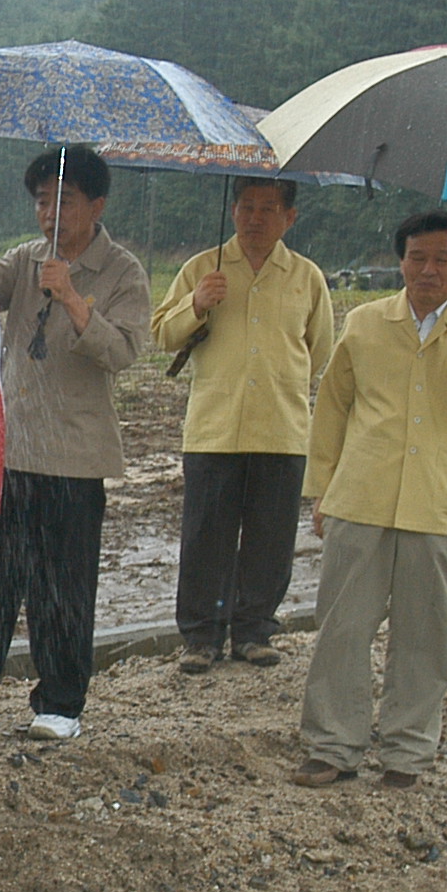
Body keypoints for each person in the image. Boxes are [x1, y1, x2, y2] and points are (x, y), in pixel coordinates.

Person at [0, 148, 151, 741]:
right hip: (11, 452)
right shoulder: (25, 259)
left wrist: (71, 298)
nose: (50, 213)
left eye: (64, 201)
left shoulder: (122, 273)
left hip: (72, 458)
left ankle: (61, 705)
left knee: (62, 591)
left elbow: (125, 352)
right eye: (42, 201)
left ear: (97, 205)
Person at [294, 211, 447, 789]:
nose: (429, 269)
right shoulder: (367, 323)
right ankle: (333, 746)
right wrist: (322, 489)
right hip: (361, 499)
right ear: (401, 262)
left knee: (426, 636)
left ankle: (407, 754)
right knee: (342, 628)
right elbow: (333, 408)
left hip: (437, 505)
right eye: (418, 257)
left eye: (444, 259)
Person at [150, 177, 337, 671]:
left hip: (281, 428)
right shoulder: (202, 269)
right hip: (215, 427)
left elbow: (319, 350)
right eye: (247, 207)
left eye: (268, 209)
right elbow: (163, 334)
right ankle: (201, 637)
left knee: (270, 538)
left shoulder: (306, 277)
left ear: (290, 218)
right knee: (205, 536)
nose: (256, 218)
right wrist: (196, 304)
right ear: (232, 211)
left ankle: (254, 631)